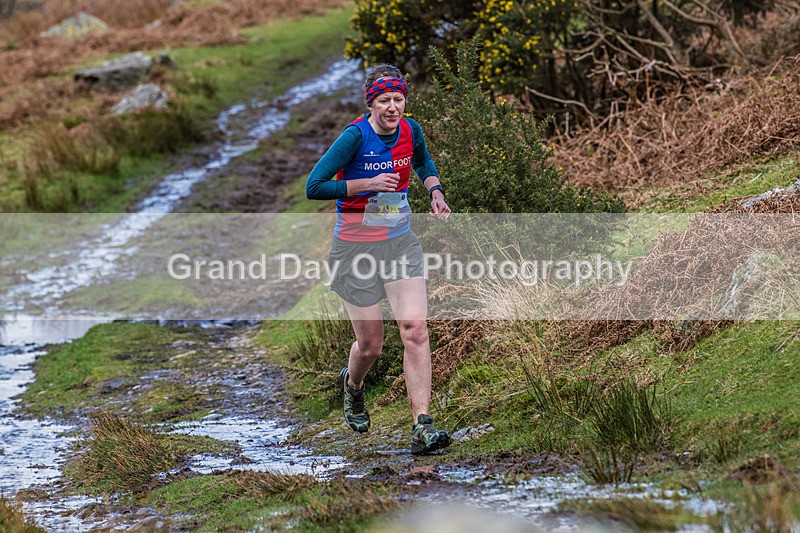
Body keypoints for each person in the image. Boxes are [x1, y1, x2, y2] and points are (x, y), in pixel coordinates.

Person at [305, 64, 451, 455]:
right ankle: (353, 386)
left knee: (415, 330)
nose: (392, 107)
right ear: (371, 102)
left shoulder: (410, 129)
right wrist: (365, 184)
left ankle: (422, 425)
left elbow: (423, 162)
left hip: (399, 243)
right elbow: (314, 186)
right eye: (384, 100)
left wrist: (434, 192)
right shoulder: (354, 137)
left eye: (398, 99)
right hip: (354, 250)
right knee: (370, 345)